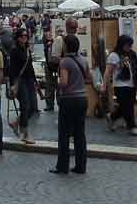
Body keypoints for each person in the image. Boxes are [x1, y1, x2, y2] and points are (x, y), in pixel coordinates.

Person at [51, 34, 91, 175]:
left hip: (69, 99)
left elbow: (64, 82)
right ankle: (81, 166)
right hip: (82, 99)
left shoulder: (65, 62)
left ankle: (62, 166)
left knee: (64, 134)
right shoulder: (83, 60)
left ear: (65, 46)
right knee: (80, 134)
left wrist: (57, 84)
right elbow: (88, 78)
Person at [102, 34, 137, 135]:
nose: (129, 47)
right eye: (127, 45)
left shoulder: (131, 54)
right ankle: (132, 127)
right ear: (121, 44)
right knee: (127, 106)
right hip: (120, 85)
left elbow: (135, 67)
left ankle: (111, 116)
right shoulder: (114, 56)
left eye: (130, 45)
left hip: (131, 84)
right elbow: (108, 72)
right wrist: (104, 85)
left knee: (125, 106)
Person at [8, 27, 39, 144]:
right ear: (17, 37)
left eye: (26, 36)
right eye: (22, 36)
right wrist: (12, 84)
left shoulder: (27, 49)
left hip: (29, 80)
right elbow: (11, 69)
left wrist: (36, 82)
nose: (24, 38)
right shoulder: (14, 50)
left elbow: (30, 67)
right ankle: (25, 133)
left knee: (32, 107)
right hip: (19, 81)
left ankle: (16, 122)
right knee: (25, 105)